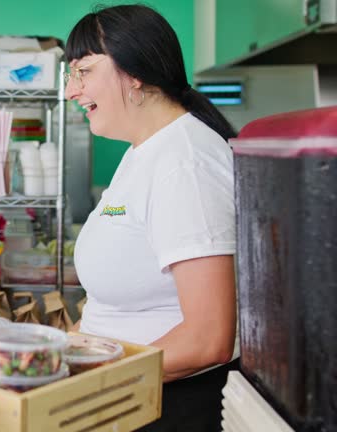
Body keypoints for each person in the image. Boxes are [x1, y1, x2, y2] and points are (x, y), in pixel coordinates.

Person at [65, 5, 238, 431]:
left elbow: (207, 338)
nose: (72, 90)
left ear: (135, 70)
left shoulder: (185, 163)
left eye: (83, 70)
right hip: (129, 396)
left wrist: (83, 372)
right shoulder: (146, 151)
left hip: (166, 406)